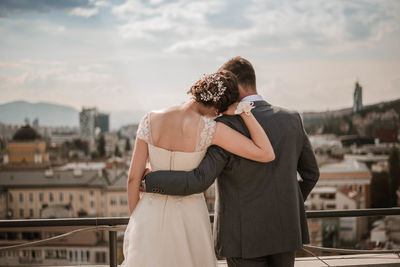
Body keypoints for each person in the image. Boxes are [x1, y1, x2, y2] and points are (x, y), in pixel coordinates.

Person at [142, 57, 320, 267]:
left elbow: (199, 180)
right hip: (285, 231)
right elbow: (311, 174)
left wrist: (149, 181)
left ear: (233, 85)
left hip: (241, 236)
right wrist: (286, 204)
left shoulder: (225, 126)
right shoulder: (292, 119)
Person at [121, 70, 275, 267]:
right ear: (218, 106)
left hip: (148, 216)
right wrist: (244, 112)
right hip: (189, 217)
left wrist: (137, 219)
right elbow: (266, 153)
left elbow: (133, 180)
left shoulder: (149, 119)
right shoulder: (211, 130)